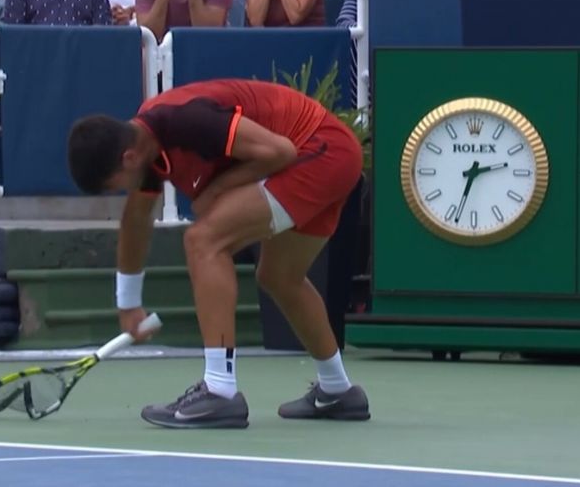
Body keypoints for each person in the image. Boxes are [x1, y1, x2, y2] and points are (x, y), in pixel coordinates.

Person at [66, 78, 370, 429]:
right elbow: (136, 220)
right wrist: (129, 304)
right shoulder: (145, 149)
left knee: (204, 241)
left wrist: (218, 190)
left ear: (127, 158)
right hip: (328, 155)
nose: (119, 191)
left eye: (113, 184)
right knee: (279, 276)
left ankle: (219, 391)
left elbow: (280, 152)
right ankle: (337, 390)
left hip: (318, 151)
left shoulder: (185, 121)